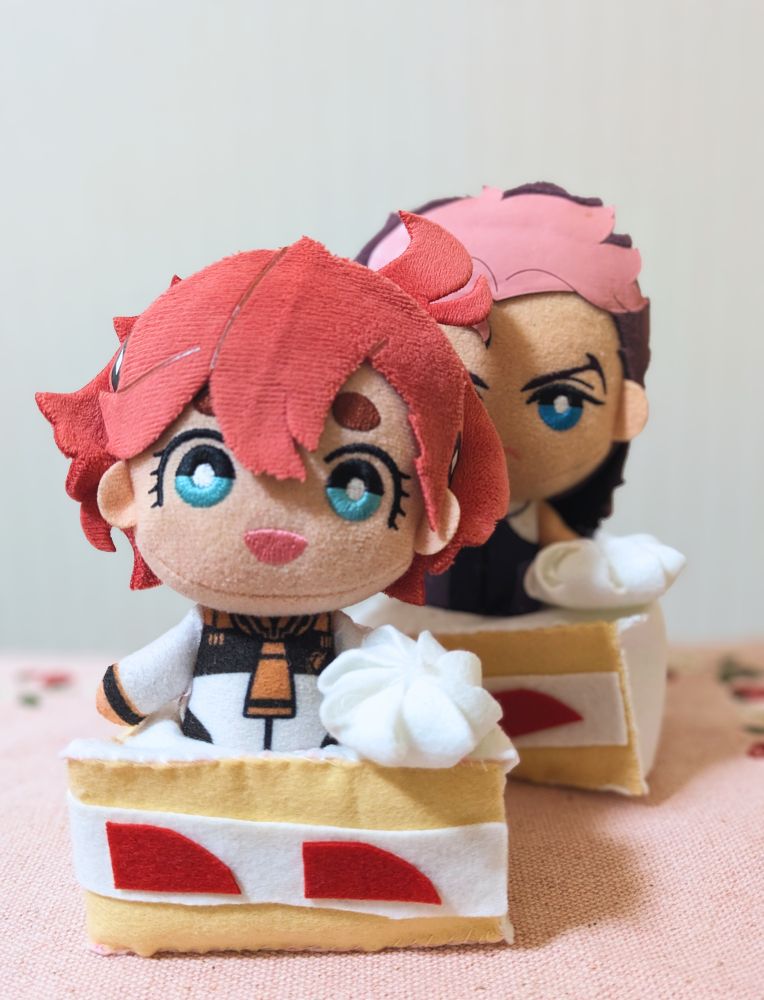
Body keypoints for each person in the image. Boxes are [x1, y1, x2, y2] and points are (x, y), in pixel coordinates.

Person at [38, 213, 508, 753]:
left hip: (330, 777)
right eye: (203, 472)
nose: (275, 526)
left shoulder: (352, 645)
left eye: (355, 484)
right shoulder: (202, 633)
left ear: (432, 518)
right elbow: (128, 692)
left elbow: (405, 683)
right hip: (208, 769)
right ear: (125, 494)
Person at [358, 184, 650, 616]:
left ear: (626, 409)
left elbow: (574, 559)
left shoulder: (534, 516)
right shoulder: (418, 516)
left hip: (528, 629)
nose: (500, 432)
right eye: (461, 402)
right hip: (427, 631)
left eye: (561, 403)